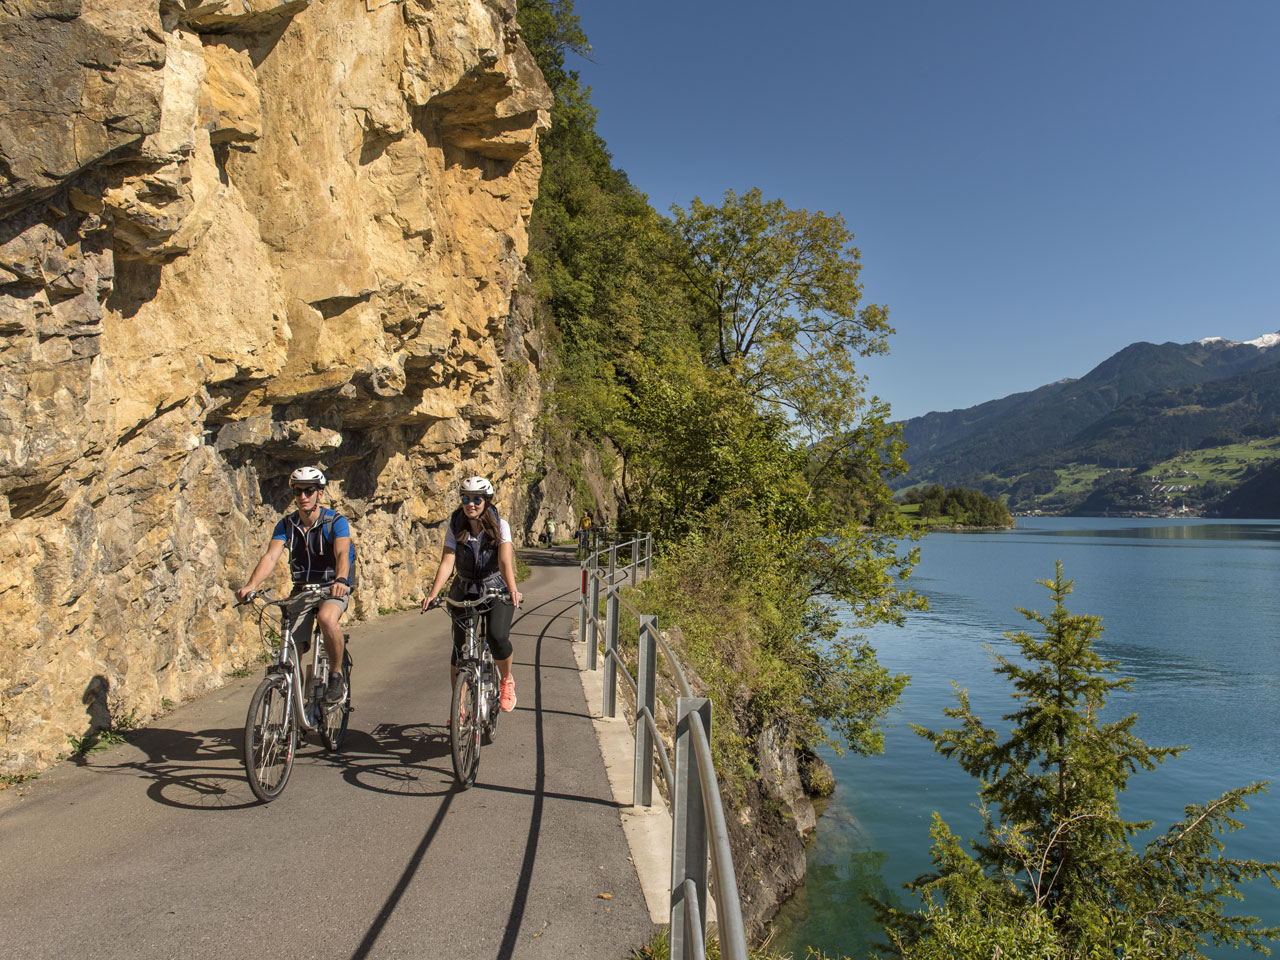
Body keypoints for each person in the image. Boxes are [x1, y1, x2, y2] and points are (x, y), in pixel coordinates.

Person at [236, 466, 354, 703]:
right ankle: (295, 710)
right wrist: (251, 585)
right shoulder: (286, 524)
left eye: (309, 491)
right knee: (290, 649)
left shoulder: (336, 522)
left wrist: (341, 580)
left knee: (327, 619)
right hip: (301, 589)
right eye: (298, 491)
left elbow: (342, 553)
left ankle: (336, 674)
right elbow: (271, 556)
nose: (303, 497)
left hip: (332, 586)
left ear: (320, 492)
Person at [421, 476, 523, 716]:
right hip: (465, 588)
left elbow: (505, 561)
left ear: (486, 501)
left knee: (497, 637)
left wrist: (513, 589)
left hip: (495, 587)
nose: (471, 504)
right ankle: (459, 708)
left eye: (477, 499)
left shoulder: (501, 525)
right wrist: (433, 594)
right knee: (460, 648)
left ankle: (507, 680)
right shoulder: (456, 526)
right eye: (466, 499)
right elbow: (447, 562)